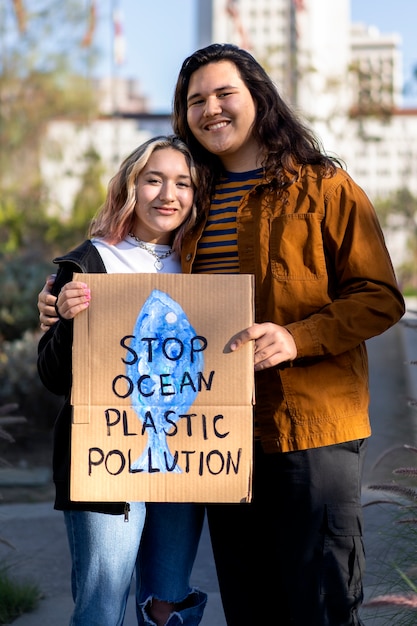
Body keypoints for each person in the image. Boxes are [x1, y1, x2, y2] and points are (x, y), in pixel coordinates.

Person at [38, 44, 406, 625]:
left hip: (310, 428)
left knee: (322, 600)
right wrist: (64, 304)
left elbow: (381, 297)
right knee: (249, 603)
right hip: (217, 439)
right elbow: (138, 279)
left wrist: (296, 338)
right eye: (194, 101)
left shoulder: (325, 186)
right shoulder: (193, 203)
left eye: (223, 93)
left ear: (258, 96)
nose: (210, 109)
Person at [37, 135, 207, 626]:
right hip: (104, 455)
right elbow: (52, 376)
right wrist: (67, 320)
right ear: (131, 186)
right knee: (102, 604)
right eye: (153, 179)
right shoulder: (89, 261)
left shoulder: (202, 262)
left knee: (167, 601)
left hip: (185, 457)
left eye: (183, 183)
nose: (167, 194)